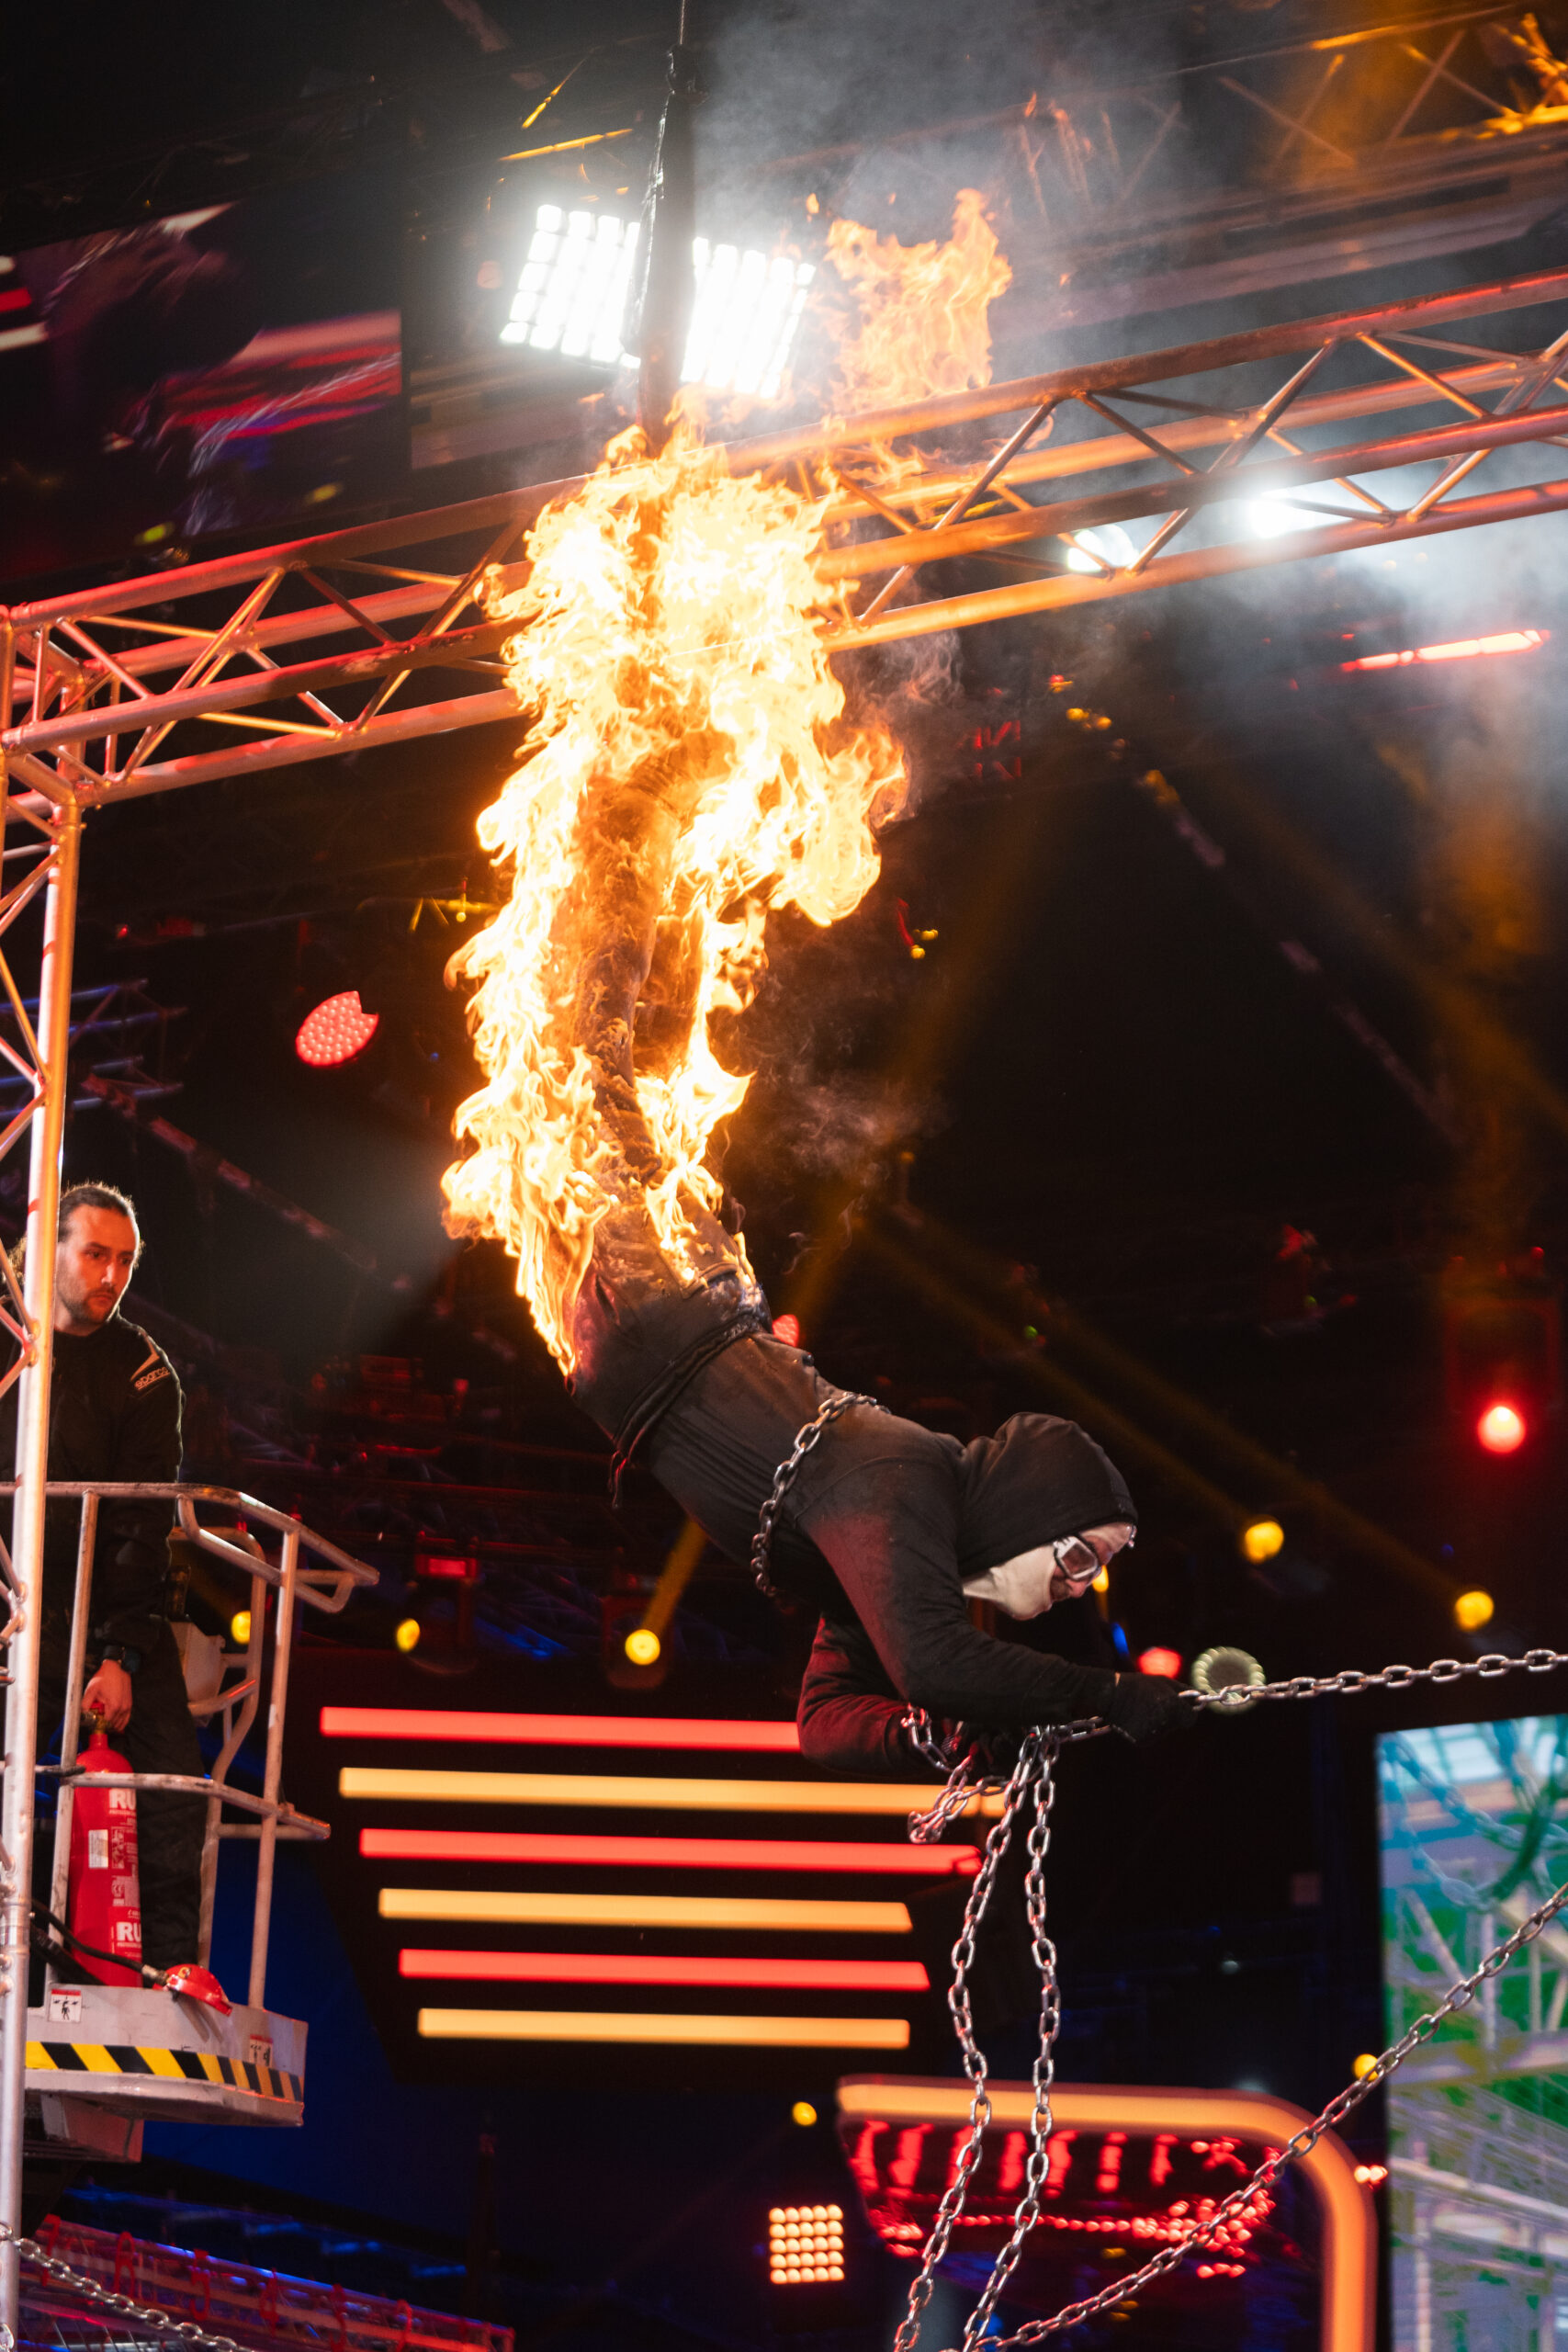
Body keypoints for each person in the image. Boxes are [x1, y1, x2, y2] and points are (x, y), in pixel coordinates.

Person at [2, 1182, 205, 1971]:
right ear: (49, 1250)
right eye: (94, 1254)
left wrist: (118, 1655)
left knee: (173, 1791)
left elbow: (139, 1527)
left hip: (105, 1608)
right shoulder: (7, 1336)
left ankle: (169, 1976)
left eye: (124, 1260)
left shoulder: (144, 1371)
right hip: (11, 1602)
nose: (111, 1276)